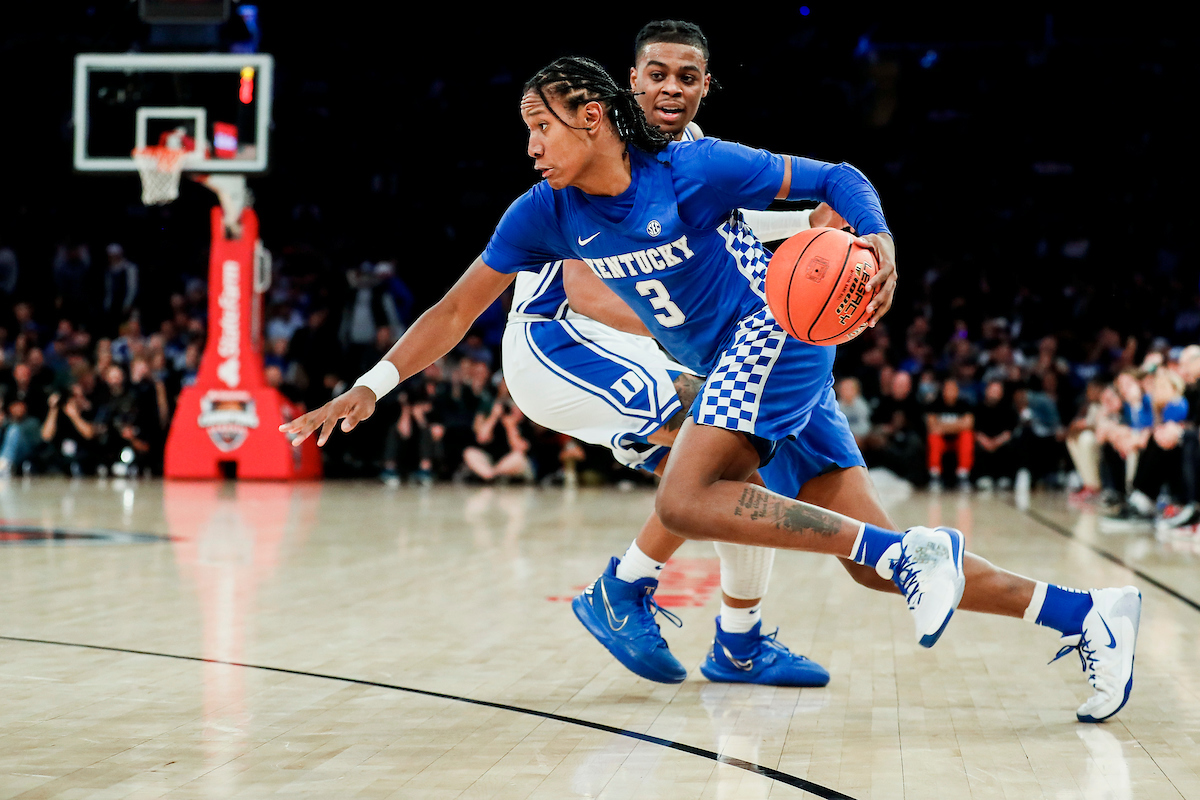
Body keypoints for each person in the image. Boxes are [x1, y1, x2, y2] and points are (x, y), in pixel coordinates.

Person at [282, 53, 1141, 722]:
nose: (530, 145)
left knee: (692, 495)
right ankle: (1087, 613)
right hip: (746, 366)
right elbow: (456, 306)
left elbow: (839, 177)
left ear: (592, 117)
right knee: (863, 562)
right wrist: (373, 384)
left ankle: (718, 592)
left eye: (539, 125)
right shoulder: (543, 212)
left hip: (771, 336)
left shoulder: (694, 170)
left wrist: (878, 242)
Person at [494, 20, 843, 687]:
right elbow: (586, 288)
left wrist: (805, 223)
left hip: (614, 344)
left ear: (707, 86)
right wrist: (690, 336)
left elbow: (717, 224)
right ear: (630, 82)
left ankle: (739, 643)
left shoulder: (689, 156)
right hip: (562, 340)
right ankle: (621, 587)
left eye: (686, 77)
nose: (670, 88)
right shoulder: (601, 142)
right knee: (710, 448)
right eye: (656, 74)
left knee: (736, 480)